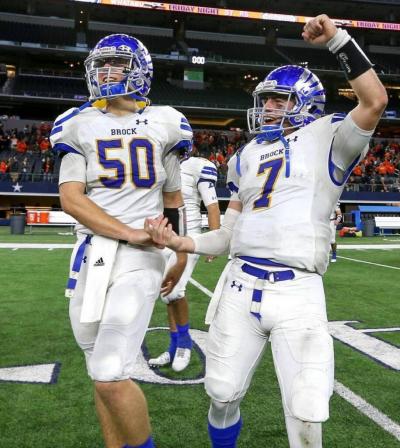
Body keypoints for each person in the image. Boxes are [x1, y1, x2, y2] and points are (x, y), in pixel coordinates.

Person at [145, 14, 387, 448]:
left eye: (278, 101)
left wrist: (337, 40)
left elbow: (374, 101)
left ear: (304, 102)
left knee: (308, 410)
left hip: (298, 290)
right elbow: (228, 234)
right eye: (267, 100)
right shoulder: (247, 154)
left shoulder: (329, 135)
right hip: (239, 284)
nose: (268, 108)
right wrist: (183, 242)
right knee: (222, 394)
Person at [50, 33, 192, 448]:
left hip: (141, 256)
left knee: (110, 371)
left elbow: (172, 199)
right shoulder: (76, 123)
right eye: (101, 65)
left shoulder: (167, 120)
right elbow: (71, 198)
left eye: (118, 64)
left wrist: (178, 250)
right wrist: (127, 231)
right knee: (98, 366)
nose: (107, 72)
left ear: (141, 71)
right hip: (93, 255)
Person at [148, 148, 220, 372]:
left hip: (190, 237)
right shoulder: (160, 166)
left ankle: (184, 345)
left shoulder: (199, 165)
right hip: (164, 236)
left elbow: (212, 205)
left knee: (176, 291)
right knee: (167, 294)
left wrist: (214, 238)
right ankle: (173, 346)